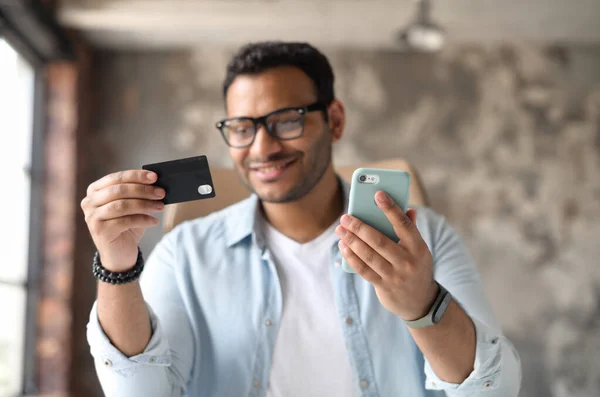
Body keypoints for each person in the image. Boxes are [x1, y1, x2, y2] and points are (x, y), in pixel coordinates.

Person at [82, 41, 522, 397]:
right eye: (241, 127)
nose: (261, 147)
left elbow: (495, 391)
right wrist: (116, 263)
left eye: (286, 120)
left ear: (334, 120)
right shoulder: (184, 253)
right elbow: (140, 392)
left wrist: (423, 306)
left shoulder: (424, 236)